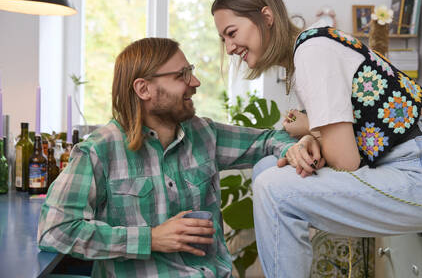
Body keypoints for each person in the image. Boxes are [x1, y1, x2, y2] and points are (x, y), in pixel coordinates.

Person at [212, 0, 422, 278]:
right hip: (404, 168)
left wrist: (314, 141)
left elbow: (346, 161)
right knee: (267, 168)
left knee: (273, 187)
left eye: (232, 33)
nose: (229, 48)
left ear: (265, 17)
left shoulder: (312, 51)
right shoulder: (311, 47)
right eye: (223, 40)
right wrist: (312, 139)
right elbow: (345, 131)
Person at [37, 37, 319, 278]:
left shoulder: (205, 134)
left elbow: (269, 139)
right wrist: (152, 238)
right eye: (181, 75)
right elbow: (56, 230)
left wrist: (294, 146)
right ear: (143, 89)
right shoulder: (99, 151)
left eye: (191, 71)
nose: (194, 82)